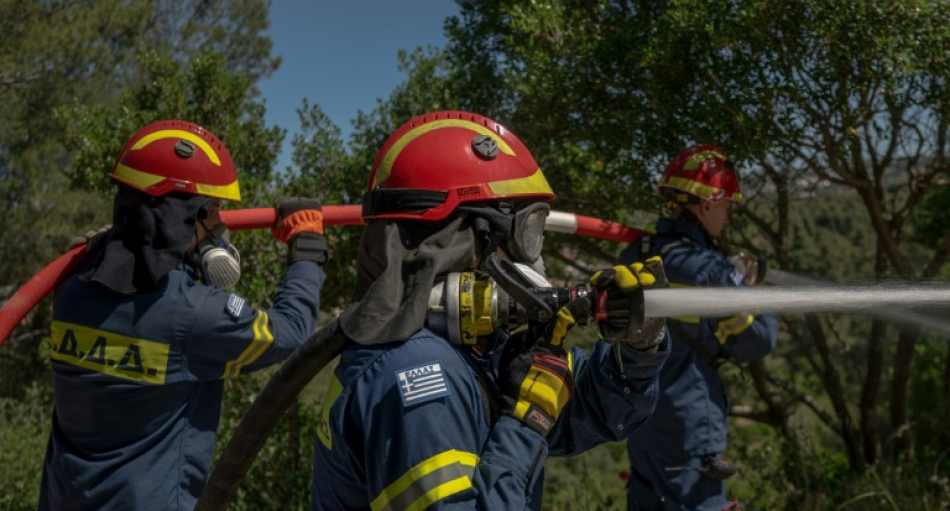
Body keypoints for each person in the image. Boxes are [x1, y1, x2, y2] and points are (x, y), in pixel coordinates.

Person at [309, 110, 671, 510]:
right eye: (528, 232)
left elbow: (595, 408)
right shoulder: (419, 377)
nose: (535, 260)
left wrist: (640, 344)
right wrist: (525, 422)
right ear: (466, 241)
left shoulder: (466, 348)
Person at [39, 120, 329, 511]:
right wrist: (307, 248)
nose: (222, 226)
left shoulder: (70, 285)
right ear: (185, 216)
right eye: (215, 211)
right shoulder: (194, 313)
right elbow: (292, 332)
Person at [619, 144, 779, 510]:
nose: (727, 215)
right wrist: (746, 287)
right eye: (726, 206)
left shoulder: (636, 255)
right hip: (688, 430)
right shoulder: (711, 272)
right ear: (707, 204)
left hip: (641, 421)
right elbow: (757, 340)